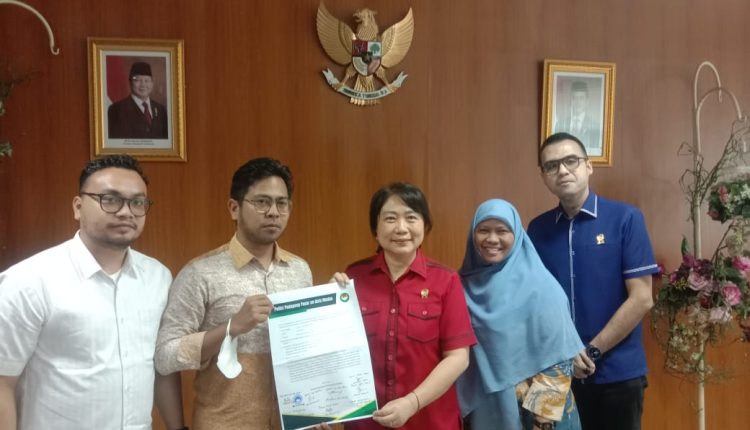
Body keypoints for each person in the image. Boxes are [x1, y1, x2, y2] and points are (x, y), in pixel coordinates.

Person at [0, 154, 184, 430]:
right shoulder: (29, 280)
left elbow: (161, 367)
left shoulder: (158, 278)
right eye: (110, 199)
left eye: (137, 202)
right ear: (78, 207)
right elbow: (3, 380)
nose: (126, 212)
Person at [155, 157, 313, 429]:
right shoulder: (200, 273)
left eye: (282, 203)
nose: (273, 212)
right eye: (262, 202)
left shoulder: (300, 270)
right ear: (234, 208)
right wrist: (231, 328)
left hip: (292, 422)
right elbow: (164, 355)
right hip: (225, 423)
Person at [527, 133, 658, 430]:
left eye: (571, 161)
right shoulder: (536, 229)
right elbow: (534, 302)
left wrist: (591, 351)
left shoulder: (626, 218)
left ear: (588, 166)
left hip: (617, 372)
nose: (562, 170)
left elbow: (642, 298)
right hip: (552, 370)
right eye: (552, 166)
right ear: (543, 176)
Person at [327, 182, 476, 430]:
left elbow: (458, 358)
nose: (401, 228)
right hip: (367, 423)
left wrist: (411, 403)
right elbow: (334, 350)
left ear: (425, 226)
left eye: (411, 217)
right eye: (390, 218)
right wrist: (327, 304)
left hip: (429, 421)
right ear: (375, 229)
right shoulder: (353, 277)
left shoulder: (446, 280)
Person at [456, 198, 584, 430]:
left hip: (535, 416)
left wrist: (542, 423)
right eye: (483, 230)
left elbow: (557, 360)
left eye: (502, 231)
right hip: (486, 411)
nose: (492, 239)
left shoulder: (541, 287)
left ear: (516, 235)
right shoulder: (459, 287)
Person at [108, 61, 169, 139]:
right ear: (130, 82)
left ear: (152, 83)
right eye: (138, 80)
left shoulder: (161, 110)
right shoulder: (116, 109)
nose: (143, 85)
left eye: (146, 80)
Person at [554, 81, 601, 156]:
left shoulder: (595, 127)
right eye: (574, 98)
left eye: (581, 98)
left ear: (587, 101)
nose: (577, 102)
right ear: (571, 101)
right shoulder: (560, 124)